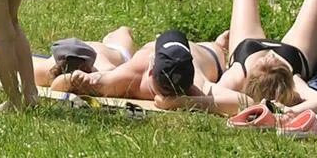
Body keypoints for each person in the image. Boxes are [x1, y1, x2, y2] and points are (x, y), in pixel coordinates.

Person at [157, 0, 317, 116]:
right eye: (274, 64)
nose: (269, 56)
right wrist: (289, 111)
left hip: (247, 49)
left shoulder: (237, 76)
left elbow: (208, 94)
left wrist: (178, 102)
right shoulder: (295, 81)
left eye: (265, 63)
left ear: (248, 82)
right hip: (293, 54)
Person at [53, 28, 232, 101]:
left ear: (152, 66)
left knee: (217, 48)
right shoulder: (128, 75)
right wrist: (75, 80)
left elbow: (243, 102)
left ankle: (219, 44)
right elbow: (59, 85)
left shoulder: (195, 85)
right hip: (204, 53)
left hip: (209, 53)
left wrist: (177, 104)